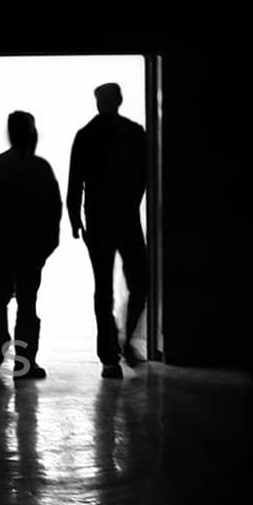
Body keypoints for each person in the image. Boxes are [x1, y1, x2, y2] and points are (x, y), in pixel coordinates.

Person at [0, 111, 62, 379]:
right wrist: (47, 246)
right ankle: (25, 362)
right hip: (31, 249)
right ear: (32, 134)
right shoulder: (40, 168)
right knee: (27, 305)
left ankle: (0, 343)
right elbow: (53, 210)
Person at [67, 83, 149, 379]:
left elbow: (76, 180)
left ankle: (110, 354)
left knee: (103, 288)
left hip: (100, 219)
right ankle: (120, 343)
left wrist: (75, 217)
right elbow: (144, 174)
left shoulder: (86, 135)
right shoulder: (135, 133)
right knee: (139, 280)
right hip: (126, 217)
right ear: (119, 100)